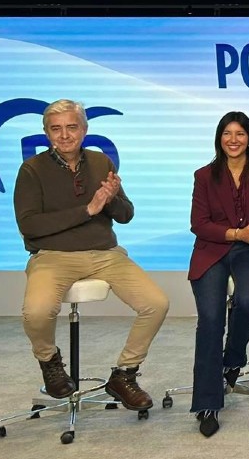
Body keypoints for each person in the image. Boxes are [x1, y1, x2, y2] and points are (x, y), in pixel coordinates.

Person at [13, 99, 169, 413]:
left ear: (84, 129)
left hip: (105, 253)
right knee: (37, 312)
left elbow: (125, 215)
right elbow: (29, 225)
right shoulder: (32, 169)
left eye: (72, 127)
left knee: (156, 303)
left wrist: (109, 200)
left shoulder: (101, 162)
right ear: (46, 133)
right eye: (56, 129)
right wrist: (88, 209)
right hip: (53, 257)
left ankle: (125, 374)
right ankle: (50, 361)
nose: (65, 135)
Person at [188, 111, 249, 437]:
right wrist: (236, 233)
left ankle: (232, 359)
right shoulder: (204, 176)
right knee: (212, 319)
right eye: (227, 133)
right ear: (219, 138)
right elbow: (199, 225)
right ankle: (207, 404)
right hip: (212, 249)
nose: (233, 139)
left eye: (240, 133)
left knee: (248, 301)